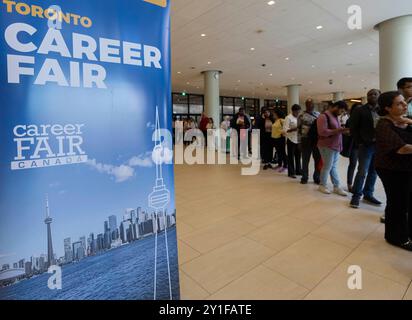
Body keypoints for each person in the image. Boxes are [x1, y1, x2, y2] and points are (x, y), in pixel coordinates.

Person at [375, 91, 412, 251]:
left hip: (405, 168)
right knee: (397, 203)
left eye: (404, 102)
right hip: (391, 169)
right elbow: (402, 149)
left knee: (406, 201)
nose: (404, 105)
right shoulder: (383, 125)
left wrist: (408, 121)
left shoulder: (402, 121)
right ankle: (396, 237)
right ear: (387, 108)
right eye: (399, 103)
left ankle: (406, 232)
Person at [349, 89, 382, 209]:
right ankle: (356, 196)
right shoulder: (360, 110)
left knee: (374, 172)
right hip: (366, 146)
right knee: (362, 171)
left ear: (379, 96)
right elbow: (353, 128)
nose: (372, 96)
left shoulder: (383, 110)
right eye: (369, 94)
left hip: (379, 146)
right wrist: (360, 142)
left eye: (375, 94)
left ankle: (368, 194)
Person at [317, 101, 350, 195]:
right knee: (327, 166)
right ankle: (322, 185)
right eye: (341, 110)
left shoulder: (335, 116)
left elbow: (335, 131)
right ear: (335, 107)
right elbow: (322, 132)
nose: (341, 113)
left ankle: (337, 186)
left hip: (335, 145)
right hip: (326, 145)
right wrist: (338, 130)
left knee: (333, 166)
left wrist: (342, 131)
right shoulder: (323, 116)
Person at [298, 98, 321, 185]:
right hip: (305, 139)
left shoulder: (318, 114)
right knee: (305, 160)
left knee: (317, 159)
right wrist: (299, 142)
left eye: (311, 104)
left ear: (314, 105)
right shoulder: (301, 115)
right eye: (308, 104)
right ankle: (304, 177)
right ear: (306, 105)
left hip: (316, 140)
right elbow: (298, 129)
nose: (310, 106)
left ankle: (317, 177)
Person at [343, 103, 362, 192]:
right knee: (353, 164)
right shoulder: (350, 120)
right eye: (357, 109)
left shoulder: (364, 119)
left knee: (362, 167)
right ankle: (349, 184)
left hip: (363, 146)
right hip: (354, 146)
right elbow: (347, 133)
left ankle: (358, 185)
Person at [284, 104, 302, 179]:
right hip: (291, 140)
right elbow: (285, 130)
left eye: (299, 112)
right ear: (293, 111)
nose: (298, 113)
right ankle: (291, 172)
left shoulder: (300, 118)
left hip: (299, 140)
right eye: (296, 112)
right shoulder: (288, 118)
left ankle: (298, 170)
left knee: (298, 156)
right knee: (291, 157)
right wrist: (295, 129)